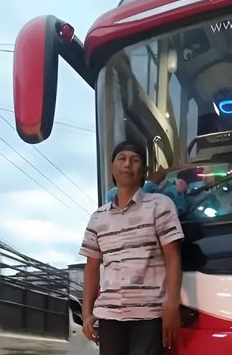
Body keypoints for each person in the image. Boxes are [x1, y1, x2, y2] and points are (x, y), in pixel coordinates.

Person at [79, 140, 184, 355]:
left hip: (149, 315)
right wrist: (87, 313)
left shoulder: (160, 205)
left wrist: (172, 306)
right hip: (108, 316)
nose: (128, 164)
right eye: (122, 159)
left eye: (135, 160)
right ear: (112, 167)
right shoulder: (98, 217)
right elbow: (91, 267)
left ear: (143, 171)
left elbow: (173, 258)